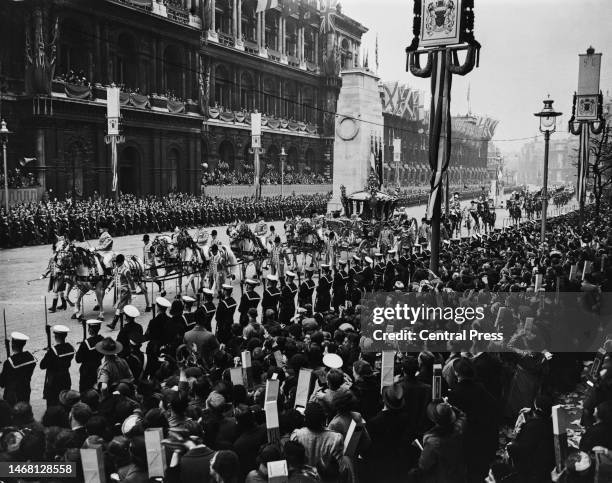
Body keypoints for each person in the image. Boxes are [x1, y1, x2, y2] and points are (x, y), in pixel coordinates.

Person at [290, 402, 343, 468]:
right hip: (324, 476)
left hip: (305, 475)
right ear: (323, 419)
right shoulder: (335, 438)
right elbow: (337, 466)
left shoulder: (297, 435)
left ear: (305, 419)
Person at [40, 325, 75, 408]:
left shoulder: (53, 351)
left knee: (53, 403)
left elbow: (42, 365)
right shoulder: (70, 348)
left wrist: (48, 353)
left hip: (54, 381)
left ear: (55, 336)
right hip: (66, 378)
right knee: (65, 401)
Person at [0, 331, 36, 405]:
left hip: (12, 396)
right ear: (24, 344)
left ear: (12, 345)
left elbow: (2, 383)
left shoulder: (9, 363)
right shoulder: (31, 360)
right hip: (25, 391)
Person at [107, 254, 136, 330]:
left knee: (119, 306)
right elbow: (114, 280)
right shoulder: (116, 269)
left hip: (124, 290)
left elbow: (131, 281)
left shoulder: (126, 270)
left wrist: (133, 292)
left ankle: (113, 323)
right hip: (117, 291)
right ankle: (129, 320)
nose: (117, 263)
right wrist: (109, 287)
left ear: (122, 262)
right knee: (124, 306)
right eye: (117, 262)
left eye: (119, 262)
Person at [75, 320, 104, 392]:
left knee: (85, 391)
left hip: (86, 370)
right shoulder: (102, 339)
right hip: (98, 366)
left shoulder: (86, 343)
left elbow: (78, 359)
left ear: (90, 330)